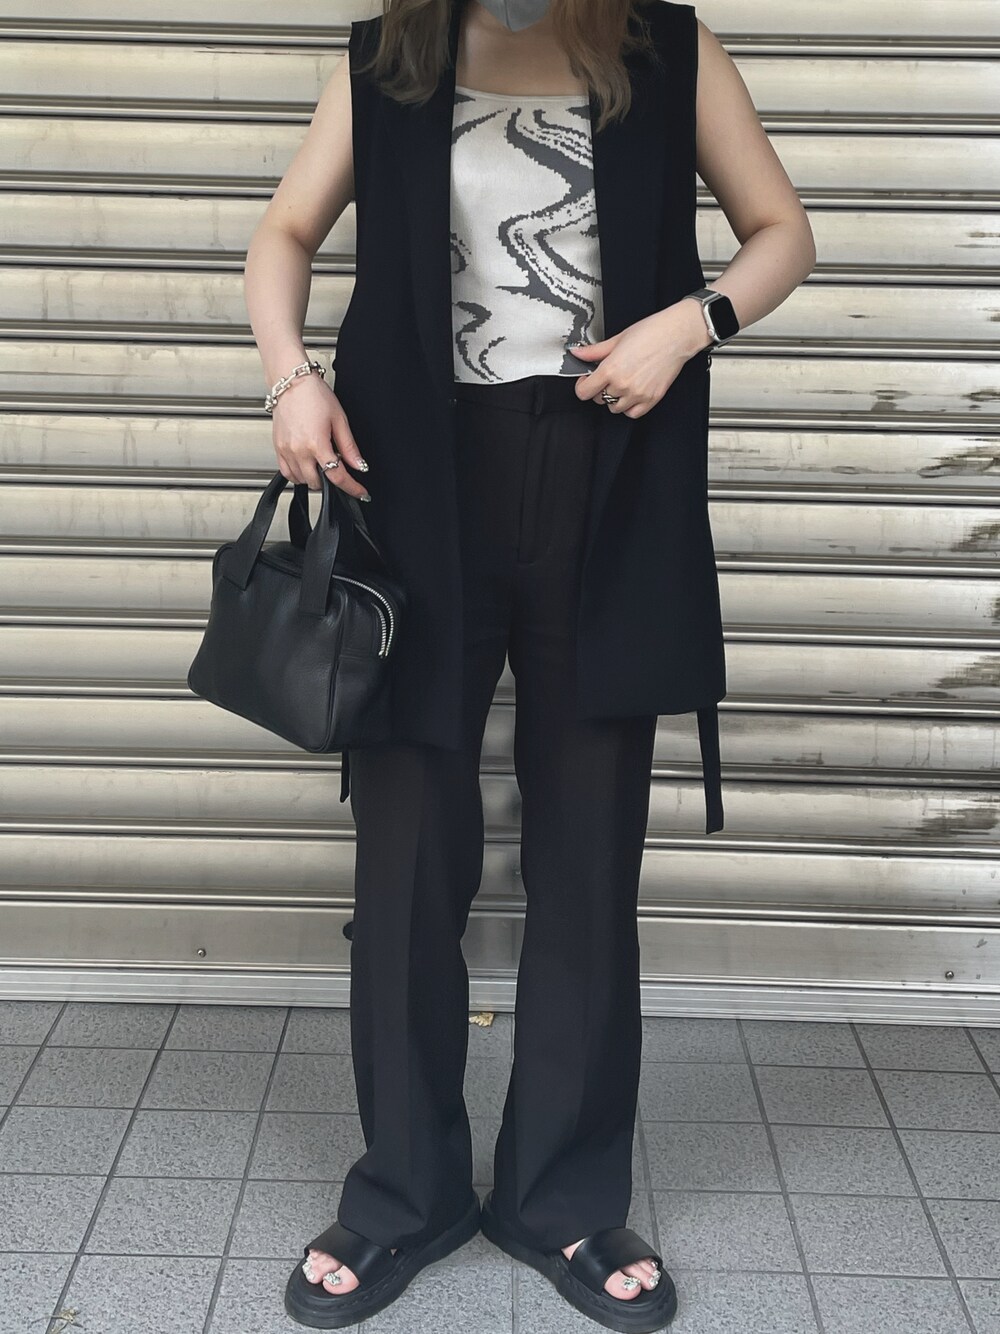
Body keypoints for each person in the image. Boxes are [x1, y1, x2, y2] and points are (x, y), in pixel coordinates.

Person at [244, 1, 815, 1329]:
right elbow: (284, 231)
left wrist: (693, 322)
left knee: (587, 859)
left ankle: (560, 1196)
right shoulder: (389, 55)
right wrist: (288, 378)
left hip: (612, 483)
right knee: (405, 864)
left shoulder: (670, 51)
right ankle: (408, 1193)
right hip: (414, 488)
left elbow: (781, 232)